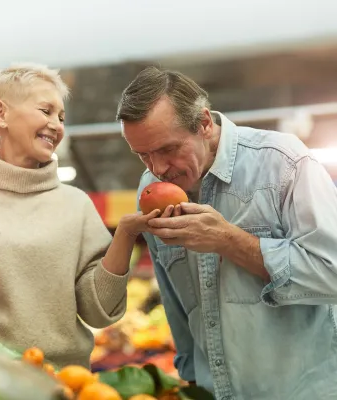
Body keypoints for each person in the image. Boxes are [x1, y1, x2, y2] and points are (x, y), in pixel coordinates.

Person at [0, 63, 159, 369]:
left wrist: (125, 236)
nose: (57, 124)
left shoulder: (77, 206)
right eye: (46, 110)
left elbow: (99, 313)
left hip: (66, 382)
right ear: (0, 114)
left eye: (61, 117)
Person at [117, 66, 337, 399]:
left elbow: (331, 274)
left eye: (167, 149)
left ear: (204, 123)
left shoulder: (282, 163)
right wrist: (189, 380)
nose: (157, 169)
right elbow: (177, 308)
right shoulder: (150, 189)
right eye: (142, 155)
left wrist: (227, 240)